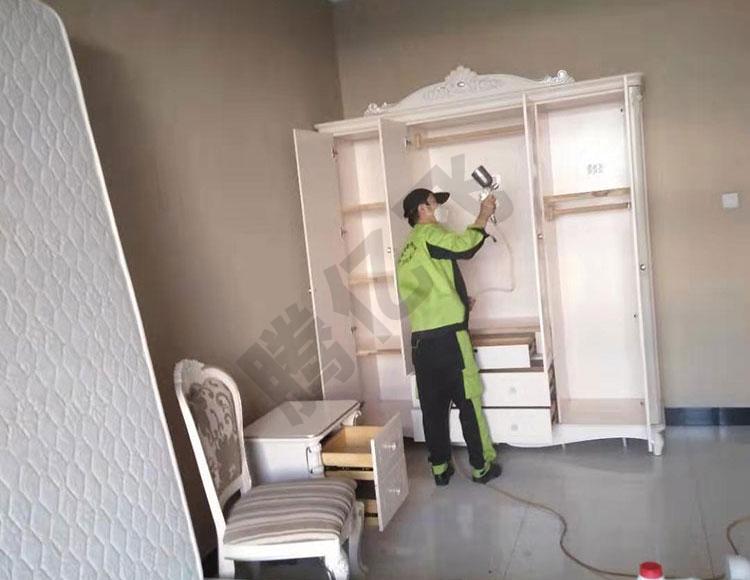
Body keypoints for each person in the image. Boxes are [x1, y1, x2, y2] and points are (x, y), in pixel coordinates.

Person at [396, 187, 502, 486]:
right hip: (449, 340)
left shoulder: (407, 249)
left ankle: (440, 469)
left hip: (421, 341)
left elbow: (431, 288)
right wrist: (483, 214)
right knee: (468, 403)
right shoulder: (430, 234)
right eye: (434, 203)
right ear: (422, 209)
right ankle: (481, 466)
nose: (439, 209)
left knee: (433, 409)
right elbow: (464, 247)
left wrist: (460, 301)